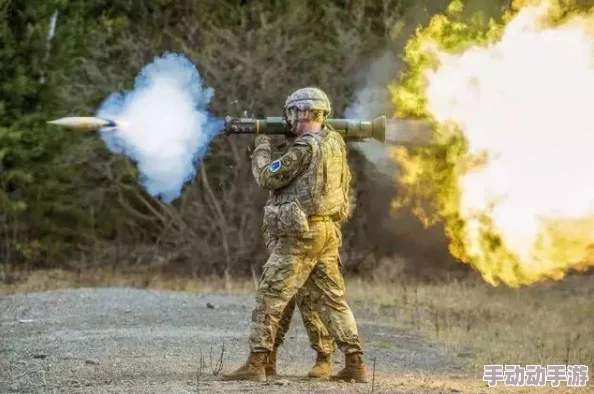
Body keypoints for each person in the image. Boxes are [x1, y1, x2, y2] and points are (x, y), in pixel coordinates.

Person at [221, 87, 368, 383]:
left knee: (270, 295)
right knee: (333, 300)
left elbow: (267, 177)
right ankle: (355, 364)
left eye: (292, 112)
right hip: (327, 231)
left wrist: (262, 145)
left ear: (302, 112)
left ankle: (256, 363)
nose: (288, 118)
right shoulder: (335, 142)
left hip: (301, 235)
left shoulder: (303, 149)